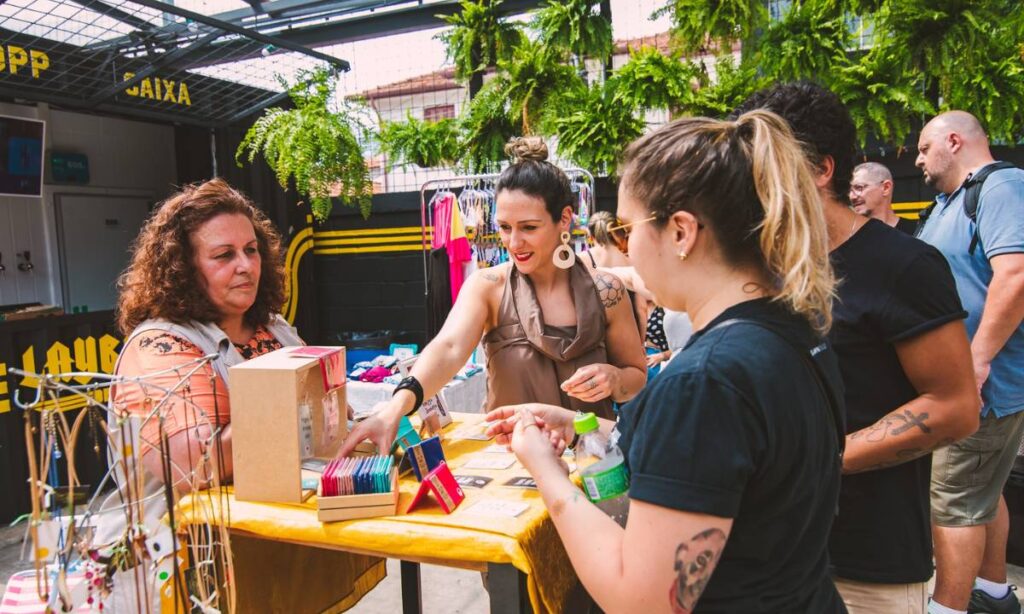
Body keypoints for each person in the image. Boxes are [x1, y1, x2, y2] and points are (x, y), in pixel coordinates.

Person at [488, 110, 846, 612]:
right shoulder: (790, 329)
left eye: (625, 230)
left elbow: (642, 601)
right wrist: (578, 424)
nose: (624, 248)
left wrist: (546, 471)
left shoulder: (706, 381)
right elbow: (723, 467)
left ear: (681, 232)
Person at [735, 82, 979, 614]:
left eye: (763, 167)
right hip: (767, 553)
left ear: (823, 170)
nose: (746, 185)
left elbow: (956, 408)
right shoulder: (759, 267)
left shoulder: (903, 267)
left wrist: (820, 460)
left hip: (866, 566)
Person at [98, 178, 378, 612]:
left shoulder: (273, 326)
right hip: (195, 572)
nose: (246, 265)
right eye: (223, 255)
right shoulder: (158, 346)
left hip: (280, 558)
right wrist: (302, 406)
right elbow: (194, 466)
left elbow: (332, 416)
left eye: (251, 250)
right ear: (184, 269)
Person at [340, 138, 646, 455]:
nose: (514, 242)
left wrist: (614, 379)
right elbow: (448, 348)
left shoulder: (606, 291)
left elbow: (636, 377)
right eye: (504, 227)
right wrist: (394, 409)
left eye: (529, 227)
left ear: (565, 218)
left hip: (595, 463)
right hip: (512, 468)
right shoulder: (488, 286)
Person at [916, 110, 1024, 614]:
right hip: (964, 383)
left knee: (953, 503)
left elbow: (1016, 275)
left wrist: (975, 364)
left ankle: (948, 608)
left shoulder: (1001, 187)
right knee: (982, 492)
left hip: (982, 386)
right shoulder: (947, 203)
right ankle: (995, 593)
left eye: (922, 148)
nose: (917, 160)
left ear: (953, 141)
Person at [850, 162, 917, 234]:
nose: (852, 196)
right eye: (849, 191)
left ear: (886, 188)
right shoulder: (848, 237)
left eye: (859, 188)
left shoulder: (918, 232)